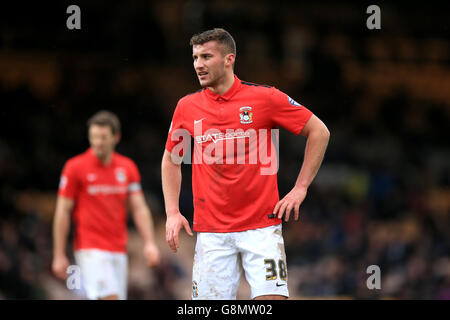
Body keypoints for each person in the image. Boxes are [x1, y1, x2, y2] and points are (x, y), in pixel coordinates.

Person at [161, 28, 330, 300]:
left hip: (262, 228)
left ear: (229, 59)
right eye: (195, 58)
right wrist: (172, 212)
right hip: (212, 232)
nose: (198, 64)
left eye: (206, 56)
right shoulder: (186, 107)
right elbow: (171, 159)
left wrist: (301, 188)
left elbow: (319, 132)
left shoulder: (266, 98)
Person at [52, 110, 160, 300]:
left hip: (119, 248)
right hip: (90, 248)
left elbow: (139, 207)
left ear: (115, 137)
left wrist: (149, 243)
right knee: (110, 298)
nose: (98, 142)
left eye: (103, 137)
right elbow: (63, 211)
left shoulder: (127, 168)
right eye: (93, 137)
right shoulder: (74, 167)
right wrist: (59, 253)